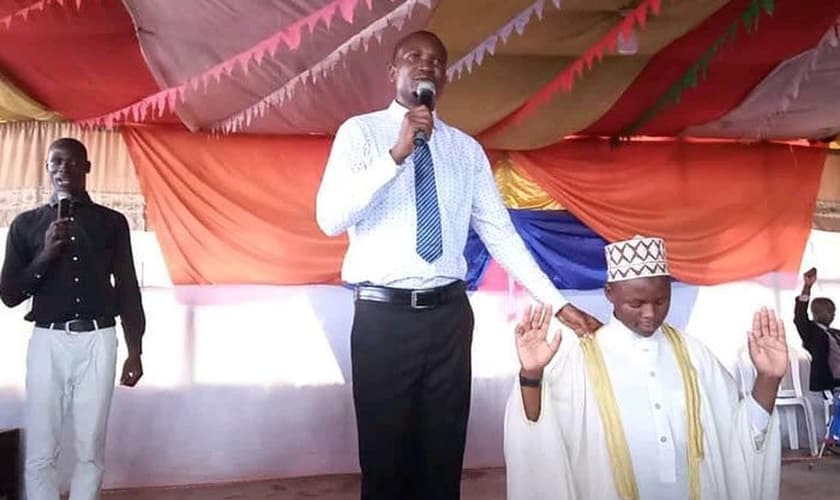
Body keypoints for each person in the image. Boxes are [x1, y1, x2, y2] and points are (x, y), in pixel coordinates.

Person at [315, 30, 599, 499]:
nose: (425, 65)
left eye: (436, 60)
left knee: (443, 457)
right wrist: (396, 154)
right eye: (413, 57)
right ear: (393, 72)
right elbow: (330, 219)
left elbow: (500, 234)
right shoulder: (361, 133)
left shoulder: (465, 150)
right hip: (383, 319)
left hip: (448, 318)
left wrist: (558, 304)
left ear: (444, 76)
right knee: (386, 460)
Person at [505, 236, 784, 500]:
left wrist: (768, 379)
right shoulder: (582, 359)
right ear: (609, 294)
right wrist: (531, 375)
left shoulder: (693, 354)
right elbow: (540, 436)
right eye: (636, 303)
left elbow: (737, 436)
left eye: (661, 301)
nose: (650, 314)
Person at [0, 138, 145, 500]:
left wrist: (135, 349)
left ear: (87, 168)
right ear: (47, 169)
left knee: (90, 447)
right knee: (41, 448)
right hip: (48, 341)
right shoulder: (26, 225)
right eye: (55, 162)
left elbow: (127, 286)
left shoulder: (112, 223)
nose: (63, 169)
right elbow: (10, 295)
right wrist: (47, 253)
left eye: (72, 162)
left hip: (99, 340)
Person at [794, 267, 840, 392]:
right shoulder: (812, 332)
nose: (833, 314)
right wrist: (807, 288)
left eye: (834, 311)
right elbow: (799, 316)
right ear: (818, 312)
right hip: (829, 384)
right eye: (830, 310)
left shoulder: (836, 333)